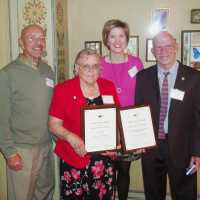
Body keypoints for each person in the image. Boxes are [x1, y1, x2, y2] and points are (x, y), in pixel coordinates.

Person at [135, 31, 200, 200]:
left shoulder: (194, 77)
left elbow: (197, 119)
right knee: (153, 193)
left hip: (183, 148)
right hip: (151, 147)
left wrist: (197, 151)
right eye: (159, 47)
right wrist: (138, 140)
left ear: (176, 47)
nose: (163, 51)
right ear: (153, 52)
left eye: (168, 46)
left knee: (185, 194)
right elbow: (138, 112)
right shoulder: (142, 77)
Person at [48, 48, 120, 200]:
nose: (90, 70)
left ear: (100, 68)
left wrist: (117, 143)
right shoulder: (63, 90)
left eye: (95, 66)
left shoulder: (108, 86)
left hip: (103, 161)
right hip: (74, 158)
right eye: (85, 66)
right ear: (76, 67)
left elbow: (117, 119)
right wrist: (70, 136)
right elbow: (53, 124)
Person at [0, 24, 55, 200]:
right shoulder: (7, 74)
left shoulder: (48, 70)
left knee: (45, 193)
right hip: (22, 150)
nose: (38, 43)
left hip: (46, 145)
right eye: (31, 38)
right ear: (21, 43)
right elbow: (1, 116)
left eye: (41, 38)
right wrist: (9, 152)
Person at [101, 19, 143, 200]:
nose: (117, 41)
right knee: (106, 169)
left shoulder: (136, 63)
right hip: (105, 124)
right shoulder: (99, 64)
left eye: (121, 36)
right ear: (106, 39)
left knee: (124, 170)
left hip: (128, 125)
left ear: (127, 39)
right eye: (113, 36)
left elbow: (142, 95)